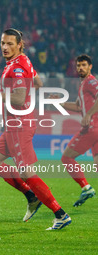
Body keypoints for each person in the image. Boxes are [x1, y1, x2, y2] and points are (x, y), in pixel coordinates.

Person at [0, 28, 71, 230]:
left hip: (20, 125)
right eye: (3, 43)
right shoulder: (23, 61)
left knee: (27, 173)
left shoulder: (18, 66)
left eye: (10, 43)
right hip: (14, 126)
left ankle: (60, 213)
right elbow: (37, 82)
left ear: (20, 44)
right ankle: (31, 196)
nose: (5, 47)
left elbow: (20, 98)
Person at [58, 54, 97, 206]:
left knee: (66, 158)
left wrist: (88, 114)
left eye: (84, 65)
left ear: (90, 67)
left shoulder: (91, 81)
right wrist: (59, 102)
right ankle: (86, 188)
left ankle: (86, 187)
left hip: (92, 127)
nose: (81, 68)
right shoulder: (83, 85)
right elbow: (78, 106)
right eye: (79, 65)